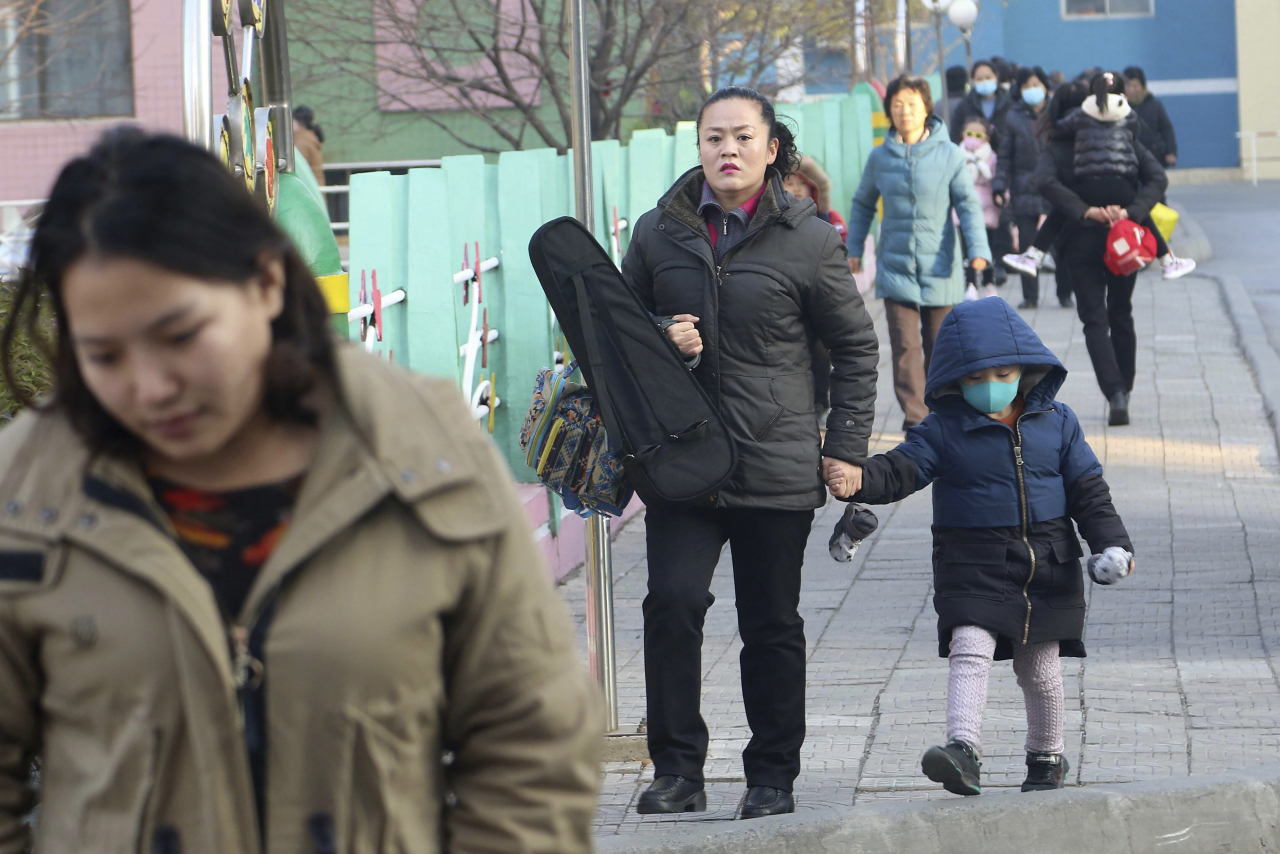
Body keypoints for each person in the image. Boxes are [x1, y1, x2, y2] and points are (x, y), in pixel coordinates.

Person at [0, 128, 602, 853]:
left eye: (182, 335)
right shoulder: (26, 488)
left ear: (266, 283)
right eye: (103, 354)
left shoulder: (420, 447)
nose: (149, 386)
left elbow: (531, 740)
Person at [621, 86, 879, 819]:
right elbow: (611, 327)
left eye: (741, 137)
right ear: (697, 147)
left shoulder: (809, 238)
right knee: (671, 605)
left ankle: (772, 775)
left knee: (771, 622)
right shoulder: (657, 233)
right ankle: (677, 769)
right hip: (683, 462)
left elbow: (857, 349)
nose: (726, 150)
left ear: (772, 149)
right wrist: (659, 335)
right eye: (712, 138)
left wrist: (847, 446)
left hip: (775, 462)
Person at [825, 297, 1134, 796]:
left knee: (1039, 666)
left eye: (1003, 372)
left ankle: (1047, 754)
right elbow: (903, 468)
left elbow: (1089, 490)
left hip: (1047, 563)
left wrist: (1112, 544)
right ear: (953, 380)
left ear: (1026, 370)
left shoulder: (1059, 422)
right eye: (974, 379)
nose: (990, 386)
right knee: (969, 646)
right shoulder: (943, 429)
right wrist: (859, 479)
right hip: (971, 559)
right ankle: (963, 750)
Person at [847, 74, 991, 430]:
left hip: (941, 265)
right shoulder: (880, 157)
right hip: (896, 267)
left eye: (912, 104)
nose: (904, 111)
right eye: (897, 105)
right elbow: (863, 203)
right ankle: (916, 419)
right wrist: (854, 247)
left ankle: (943, 413)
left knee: (941, 347)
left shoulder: (950, 154)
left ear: (926, 108)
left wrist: (978, 249)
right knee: (905, 348)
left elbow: (969, 206)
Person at [1034, 71, 1170, 426]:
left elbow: (1044, 182)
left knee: (1094, 319)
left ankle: (1114, 392)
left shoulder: (1058, 145)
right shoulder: (1123, 136)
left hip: (1080, 241)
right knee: (1121, 312)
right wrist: (1132, 211)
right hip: (1123, 239)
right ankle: (1123, 388)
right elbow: (1156, 177)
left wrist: (1084, 210)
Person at [1005, 73, 1196, 283]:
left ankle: (1034, 255)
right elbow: (1136, 131)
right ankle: (1167, 260)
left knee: (1058, 213)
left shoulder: (1085, 111)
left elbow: (1060, 128)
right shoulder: (1127, 112)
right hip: (1121, 186)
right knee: (1142, 214)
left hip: (1089, 185)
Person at [994, 66, 1065, 309]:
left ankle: (1065, 291)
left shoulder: (1059, 114)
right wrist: (999, 186)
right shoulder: (1013, 117)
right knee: (1027, 245)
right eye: (1027, 86)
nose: (1032, 90)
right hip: (1024, 189)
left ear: (1046, 87)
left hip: (1055, 188)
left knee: (1061, 244)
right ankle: (1030, 296)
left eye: (1036, 85)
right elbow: (1004, 157)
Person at [783, 156, 849, 416]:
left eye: (803, 183)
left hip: (821, 301)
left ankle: (821, 402)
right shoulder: (774, 224)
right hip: (791, 301)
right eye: (789, 182)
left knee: (821, 355)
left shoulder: (825, 218)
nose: (797, 188)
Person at [958, 117, 1000, 300]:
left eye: (978, 134)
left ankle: (988, 281)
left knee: (987, 247)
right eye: (969, 134)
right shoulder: (957, 155)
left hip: (987, 208)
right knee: (967, 249)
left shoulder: (991, 157)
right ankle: (970, 283)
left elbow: (996, 179)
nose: (973, 138)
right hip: (963, 208)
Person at [1123, 66, 1178, 168]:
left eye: (1135, 86)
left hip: (1152, 158)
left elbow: (1166, 129)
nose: (1132, 90)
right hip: (1128, 159)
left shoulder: (1155, 105)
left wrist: (1171, 151)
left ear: (1143, 86)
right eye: (1128, 86)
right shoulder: (1119, 108)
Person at [950, 60, 1013, 144]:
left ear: (996, 77)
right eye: (979, 79)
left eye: (988, 78)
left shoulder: (1009, 103)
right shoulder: (965, 106)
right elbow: (955, 135)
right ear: (973, 80)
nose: (985, 82)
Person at [292, 104, 326, 186]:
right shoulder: (310, 137)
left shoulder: (302, 142)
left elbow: (299, 169)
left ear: (299, 122)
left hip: (308, 188)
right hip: (316, 186)